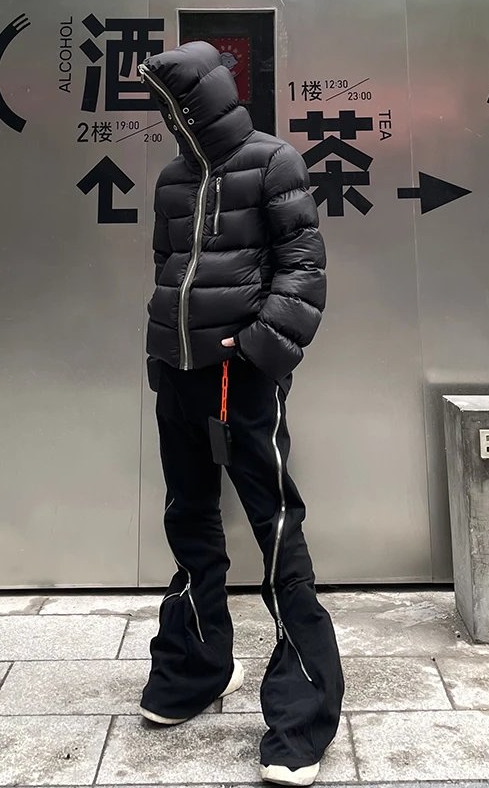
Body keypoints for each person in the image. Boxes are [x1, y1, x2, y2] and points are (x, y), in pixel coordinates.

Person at [136, 40, 344, 787]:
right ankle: (197, 666)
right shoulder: (172, 178)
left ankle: (303, 711)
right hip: (178, 374)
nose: (167, 118)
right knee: (188, 516)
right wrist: (162, 351)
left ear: (201, 103)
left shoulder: (274, 162)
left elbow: (305, 268)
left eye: (173, 104)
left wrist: (257, 348)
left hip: (242, 378)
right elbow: (168, 268)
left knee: (275, 526)